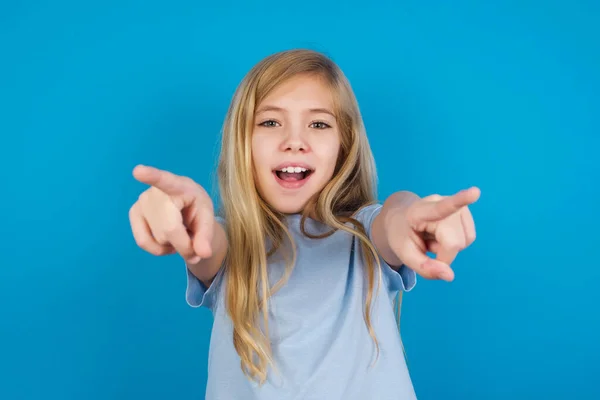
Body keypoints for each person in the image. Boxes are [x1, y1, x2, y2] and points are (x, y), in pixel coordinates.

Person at [128, 49, 480, 400]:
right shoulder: (229, 242)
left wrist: (413, 216)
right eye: (270, 122)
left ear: (344, 146)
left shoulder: (364, 232)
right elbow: (208, 243)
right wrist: (188, 220)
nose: (294, 141)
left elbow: (395, 216)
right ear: (242, 143)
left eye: (319, 124)